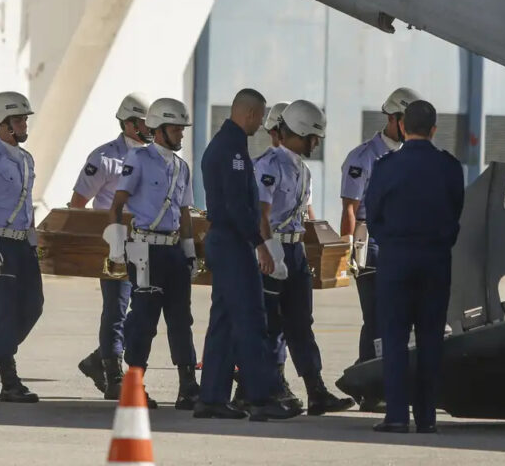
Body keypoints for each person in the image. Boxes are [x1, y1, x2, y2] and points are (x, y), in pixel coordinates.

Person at [194, 88, 300, 421]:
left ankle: (211, 397)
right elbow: (237, 206)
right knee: (252, 320)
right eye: (259, 117)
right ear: (250, 114)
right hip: (234, 242)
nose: (259, 125)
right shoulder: (232, 150)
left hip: (225, 240)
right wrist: (259, 243)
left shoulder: (225, 145)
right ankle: (262, 397)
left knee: (224, 321)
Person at [367, 100, 465, 434]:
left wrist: (392, 243)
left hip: (396, 259)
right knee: (430, 339)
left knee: (394, 337)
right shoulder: (450, 167)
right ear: (434, 129)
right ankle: (427, 418)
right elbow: (456, 212)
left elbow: (374, 214)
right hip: (436, 260)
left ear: (403, 127)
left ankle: (396, 415)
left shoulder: (385, 166)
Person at [253, 99, 355, 416]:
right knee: (269, 326)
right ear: (299, 132)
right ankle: (266, 391)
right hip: (273, 250)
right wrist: (269, 252)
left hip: (294, 251)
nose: (316, 143)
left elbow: (302, 215)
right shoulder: (269, 165)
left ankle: (316, 391)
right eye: (314, 137)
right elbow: (260, 214)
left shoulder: (302, 169)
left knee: (301, 324)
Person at [103, 98, 200, 410]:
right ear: (158, 129)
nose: (181, 135)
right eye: (176, 129)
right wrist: (118, 248)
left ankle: (188, 387)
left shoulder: (182, 167)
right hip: (144, 250)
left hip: (172, 250)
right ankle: (133, 386)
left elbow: (185, 213)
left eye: (183, 130)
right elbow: (117, 204)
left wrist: (189, 252)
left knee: (181, 319)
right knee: (144, 320)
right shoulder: (138, 158)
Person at [340, 87, 419, 412]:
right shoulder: (363, 157)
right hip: (370, 246)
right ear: (393, 118)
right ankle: (370, 387)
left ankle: (376, 380)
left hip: (401, 244)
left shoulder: (412, 155)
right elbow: (350, 207)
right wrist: (348, 252)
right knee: (375, 317)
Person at [73, 94, 151, 399]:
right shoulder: (103, 158)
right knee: (116, 308)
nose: (150, 128)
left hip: (144, 245)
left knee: (144, 309)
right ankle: (112, 371)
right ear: (130, 123)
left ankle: (98, 358)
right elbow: (78, 203)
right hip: (113, 245)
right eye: (145, 122)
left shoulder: (152, 158)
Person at [0, 91, 42, 403]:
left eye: (24, 119)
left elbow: (27, 206)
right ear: (3, 124)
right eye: (19, 119)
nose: (24, 124)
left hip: (23, 245)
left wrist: (33, 242)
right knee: (4, 311)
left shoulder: (26, 159)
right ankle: (9, 380)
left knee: (33, 306)